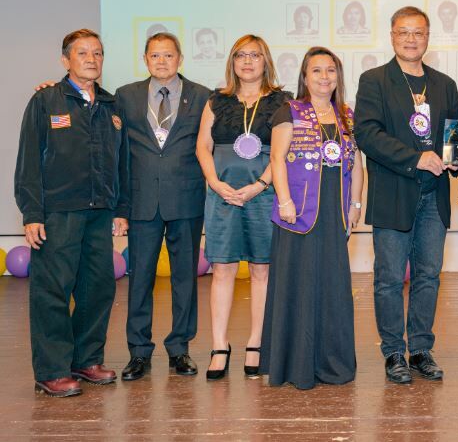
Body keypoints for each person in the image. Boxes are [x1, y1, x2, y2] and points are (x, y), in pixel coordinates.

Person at [15, 29, 129, 397]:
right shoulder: (46, 100)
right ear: (66, 60)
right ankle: (51, 369)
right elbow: (29, 160)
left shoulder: (111, 106)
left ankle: (86, 359)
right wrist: (31, 213)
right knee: (52, 292)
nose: (92, 59)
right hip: (56, 214)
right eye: (83, 53)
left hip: (100, 213)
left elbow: (122, 162)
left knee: (98, 288)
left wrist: (120, 208)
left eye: (97, 52)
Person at [354, 6, 458, 384]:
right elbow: (366, 134)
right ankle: (393, 352)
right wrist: (417, 158)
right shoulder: (374, 81)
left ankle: (420, 349)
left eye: (418, 32)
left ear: (428, 37)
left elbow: (454, 139)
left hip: (435, 197)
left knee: (429, 276)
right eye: (404, 32)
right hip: (393, 193)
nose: (411, 39)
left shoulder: (445, 84)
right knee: (388, 279)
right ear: (392, 36)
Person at [260, 47, 364, 389]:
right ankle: (296, 364)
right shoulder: (289, 111)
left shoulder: (347, 115)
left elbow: (357, 164)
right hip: (298, 213)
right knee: (299, 284)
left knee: (333, 287)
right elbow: (277, 159)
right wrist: (285, 200)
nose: (324, 77)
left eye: (331, 70)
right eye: (317, 71)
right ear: (305, 77)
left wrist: (355, 204)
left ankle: (331, 362)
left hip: (335, 214)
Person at [195, 34, 290, 380]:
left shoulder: (282, 101)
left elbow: (283, 151)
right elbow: (203, 146)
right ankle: (220, 345)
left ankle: (256, 342)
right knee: (221, 269)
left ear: (266, 61)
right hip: (221, 195)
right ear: (232, 62)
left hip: (264, 194)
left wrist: (260, 185)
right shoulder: (216, 100)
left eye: (255, 55)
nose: (247, 62)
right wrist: (215, 183)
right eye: (240, 56)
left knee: (262, 269)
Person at [117, 33, 210, 381]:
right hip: (141, 202)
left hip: (186, 199)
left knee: (185, 277)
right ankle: (139, 352)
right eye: (155, 55)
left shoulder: (203, 96)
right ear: (145, 59)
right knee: (139, 279)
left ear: (180, 58)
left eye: (168, 55)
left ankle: (179, 349)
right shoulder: (125, 96)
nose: (162, 61)